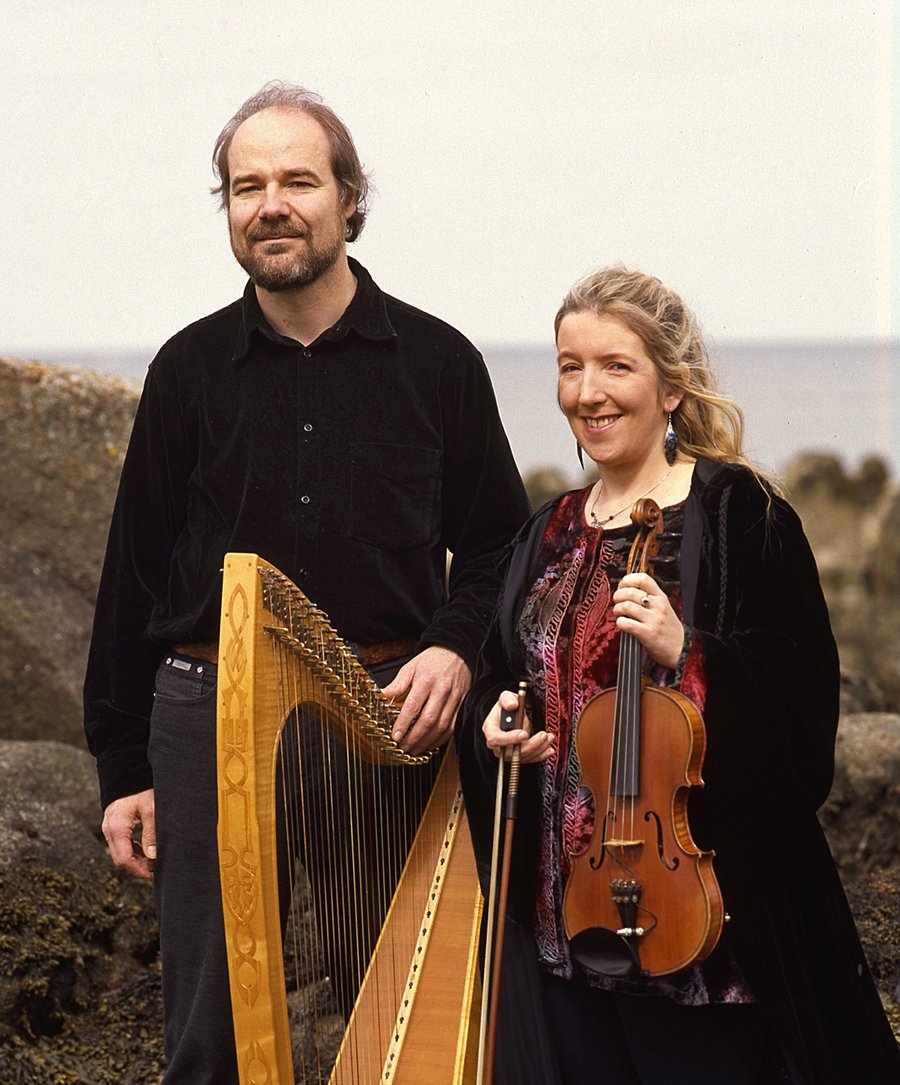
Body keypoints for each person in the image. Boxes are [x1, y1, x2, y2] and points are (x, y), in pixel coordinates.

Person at [83, 81, 530, 1084]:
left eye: (296, 180)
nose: (271, 204)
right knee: (210, 1019)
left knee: (387, 997)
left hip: (383, 713)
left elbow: (502, 542)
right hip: (203, 714)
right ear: (229, 209)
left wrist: (456, 645)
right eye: (247, 186)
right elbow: (134, 573)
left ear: (349, 199)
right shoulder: (188, 369)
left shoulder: (438, 361)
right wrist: (122, 766)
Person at [457, 266, 900, 1084]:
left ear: (672, 385)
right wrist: (492, 723)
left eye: (616, 366)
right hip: (569, 929)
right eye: (569, 365)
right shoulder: (545, 533)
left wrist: (688, 650)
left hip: (706, 937)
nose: (588, 391)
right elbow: (502, 674)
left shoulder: (740, 515)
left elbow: (804, 724)